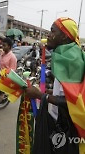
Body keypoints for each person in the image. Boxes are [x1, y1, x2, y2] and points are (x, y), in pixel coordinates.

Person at [25, 17, 85, 153]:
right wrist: (50, 91)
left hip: (68, 128)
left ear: (64, 36)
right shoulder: (68, 55)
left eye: (52, 31)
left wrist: (41, 95)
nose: (48, 35)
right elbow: (67, 92)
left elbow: (75, 102)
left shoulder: (71, 59)